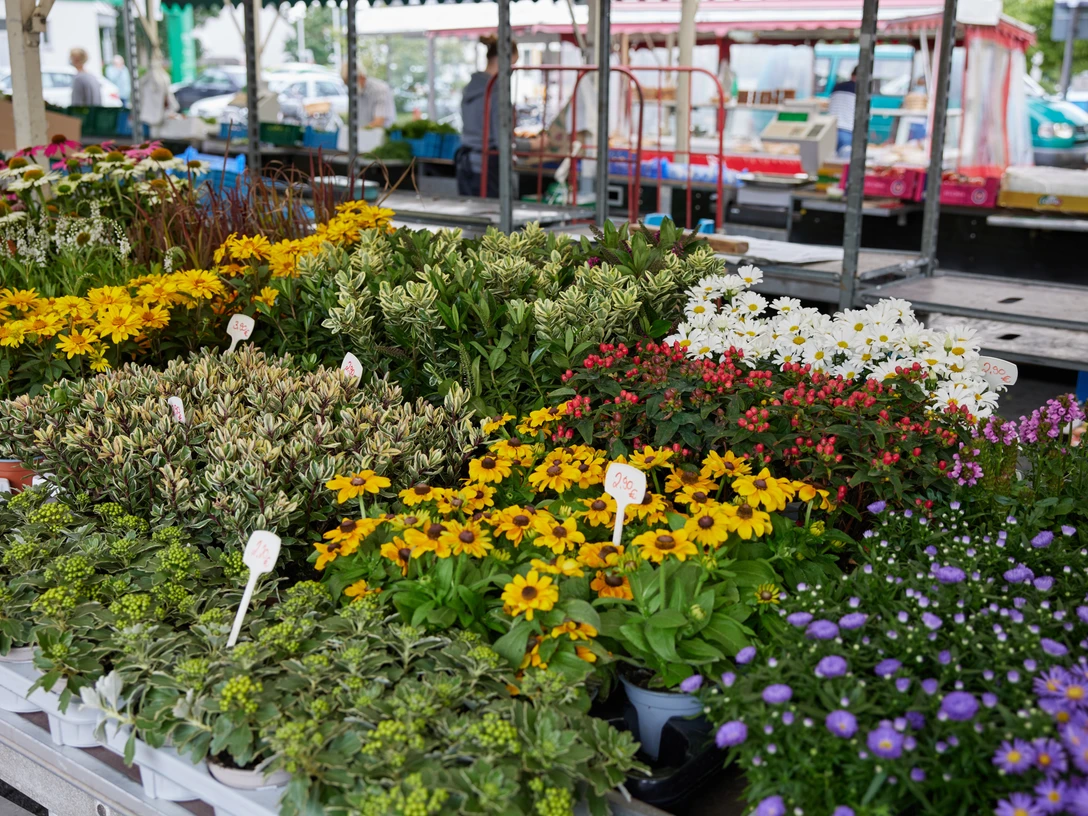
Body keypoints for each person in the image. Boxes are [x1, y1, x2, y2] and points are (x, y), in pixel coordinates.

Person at [456, 35, 519, 198]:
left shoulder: (470, 88)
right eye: (512, 64)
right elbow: (502, 140)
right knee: (494, 222)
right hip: (488, 167)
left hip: (467, 165)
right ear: (502, 60)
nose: (512, 70)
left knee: (473, 220)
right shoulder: (497, 93)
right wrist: (532, 146)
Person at [341, 63, 396, 129]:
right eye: (347, 84)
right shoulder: (356, 92)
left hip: (380, 136)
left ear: (361, 77)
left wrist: (358, 132)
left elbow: (379, 122)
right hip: (362, 136)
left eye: (349, 83)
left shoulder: (380, 90)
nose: (349, 87)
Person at [828, 66, 858, 155]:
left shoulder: (837, 86)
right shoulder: (861, 91)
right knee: (844, 164)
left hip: (830, 129)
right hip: (847, 130)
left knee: (830, 163)